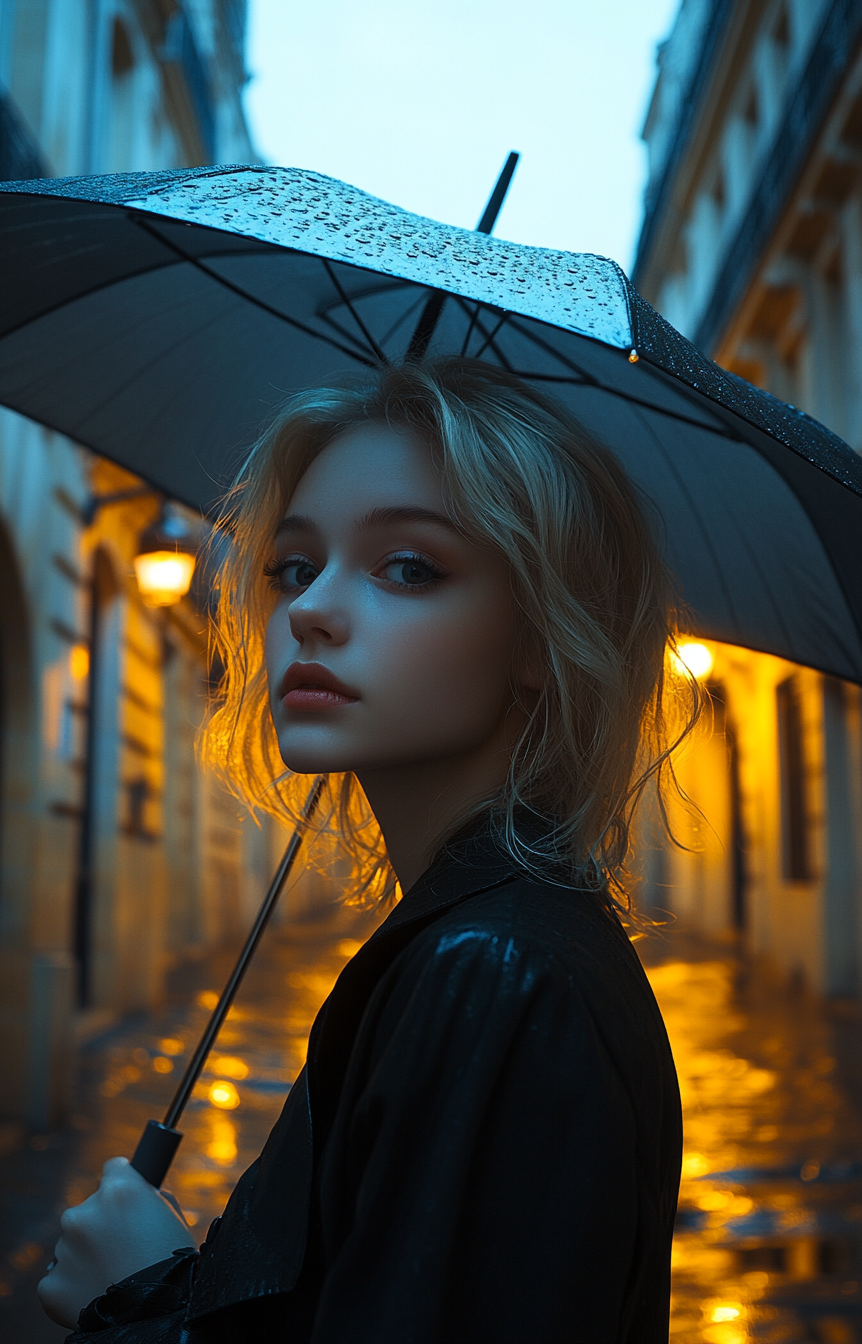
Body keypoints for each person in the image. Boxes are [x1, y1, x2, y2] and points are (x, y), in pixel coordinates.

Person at [39, 358, 695, 1342]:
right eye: (294, 567)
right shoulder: (474, 946)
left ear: (539, 638)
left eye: (407, 568)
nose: (306, 610)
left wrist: (139, 1299)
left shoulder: (499, 977)